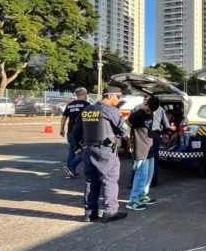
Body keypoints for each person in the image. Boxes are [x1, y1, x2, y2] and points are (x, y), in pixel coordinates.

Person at [71, 86, 128, 223]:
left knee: (91, 181)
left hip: (88, 150)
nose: (119, 100)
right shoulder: (110, 110)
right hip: (106, 151)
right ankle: (110, 211)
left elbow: (75, 132)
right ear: (110, 96)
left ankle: (90, 213)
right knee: (109, 180)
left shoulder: (87, 110)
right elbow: (124, 130)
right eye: (118, 97)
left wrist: (78, 147)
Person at [125, 97, 160, 211]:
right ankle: (133, 201)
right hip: (140, 148)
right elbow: (126, 123)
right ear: (145, 103)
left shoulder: (150, 113)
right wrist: (130, 137)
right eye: (148, 109)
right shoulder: (137, 114)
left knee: (148, 175)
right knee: (141, 175)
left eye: (151, 111)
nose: (149, 112)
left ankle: (142, 196)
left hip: (149, 147)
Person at [59, 87, 90, 179]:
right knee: (85, 152)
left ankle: (70, 171)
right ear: (84, 94)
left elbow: (64, 118)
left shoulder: (70, 105)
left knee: (72, 151)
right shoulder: (87, 105)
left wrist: (62, 129)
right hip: (82, 132)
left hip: (71, 131)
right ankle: (71, 166)